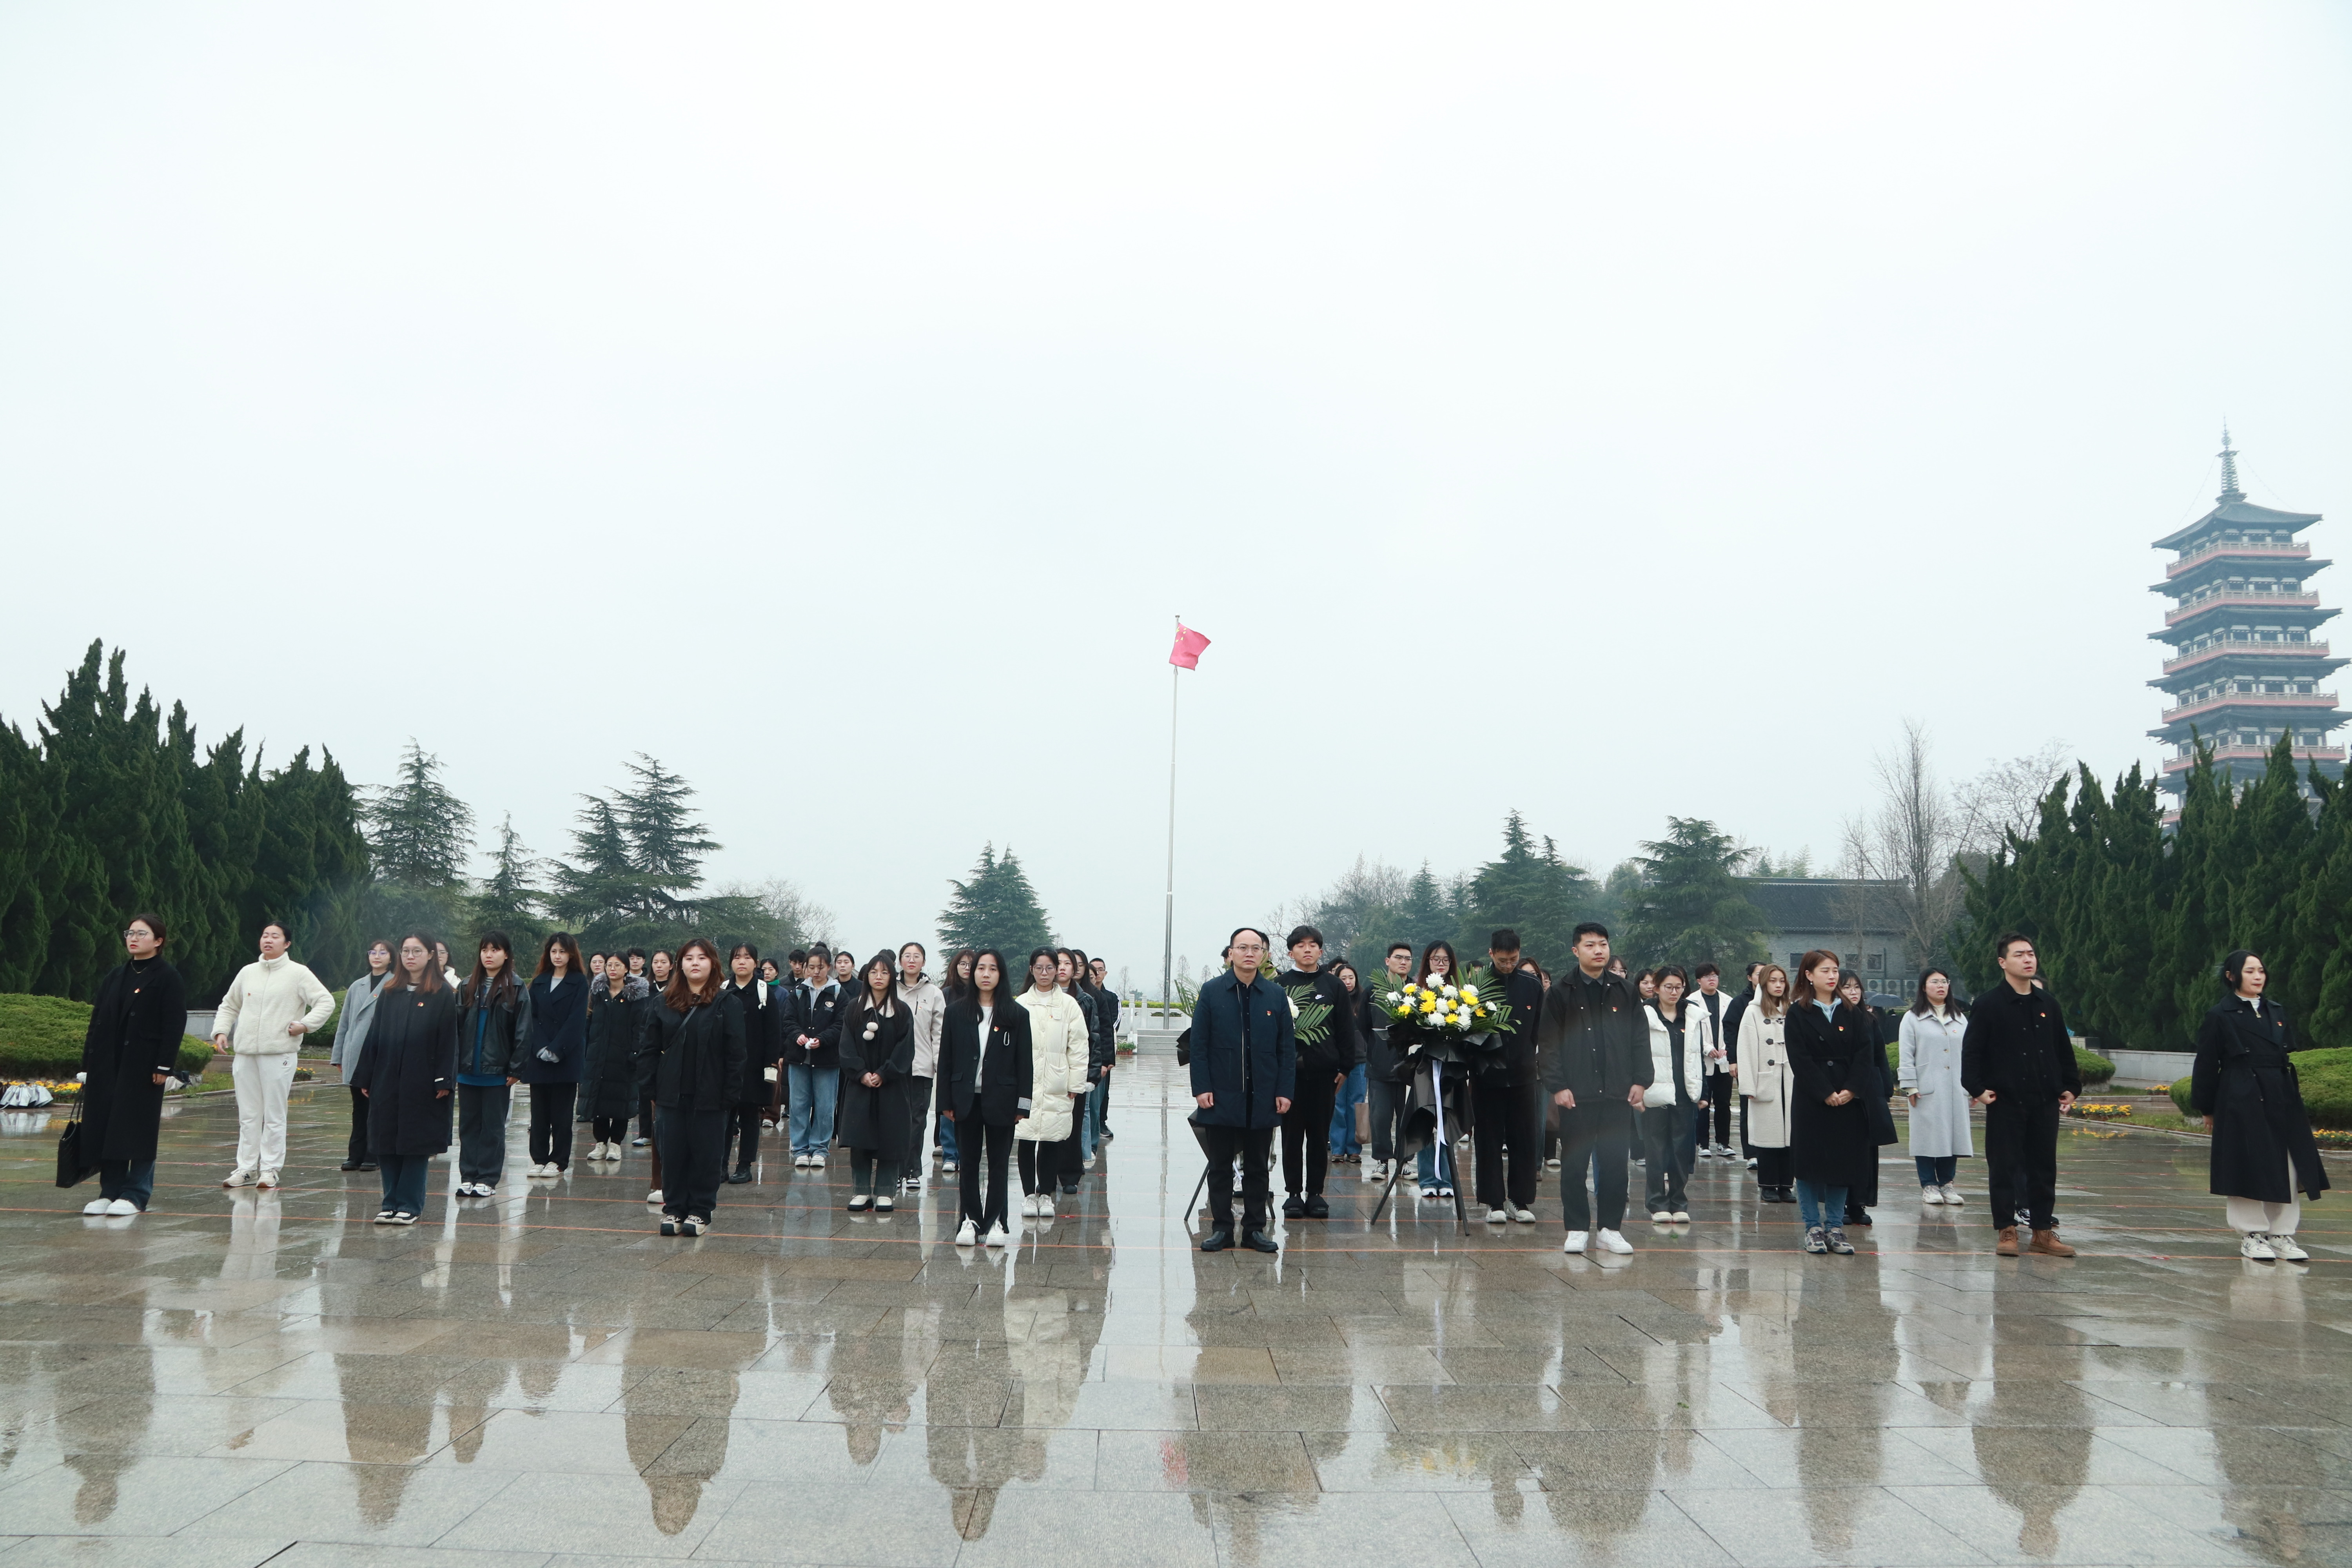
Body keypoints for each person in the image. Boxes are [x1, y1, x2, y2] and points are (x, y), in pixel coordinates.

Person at [2192, 950, 2328, 1262]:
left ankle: (2281, 1233)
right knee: (2247, 1163)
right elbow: (2206, 1064)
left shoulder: (2276, 1010)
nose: (2258, 977)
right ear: (2231, 976)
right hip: (2240, 1095)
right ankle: (2252, 1234)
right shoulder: (2220, 1015)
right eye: (2250, 971)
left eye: (2261, 971)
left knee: (2289, 1164)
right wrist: (2207, 1108)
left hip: (2281, 1093)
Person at [1960, 933, 2081, 1258]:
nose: (2028, 960)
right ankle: (2007, 1230)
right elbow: (1972, 1052)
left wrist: (2071, 1086)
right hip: (2006, 1100)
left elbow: (2063, 1050)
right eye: (2019, 955)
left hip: (2044, 1100)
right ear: (2003, 962)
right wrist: (1976, 1088)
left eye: (2031, 954)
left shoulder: (2048, 1004)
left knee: (2044, 1168)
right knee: (2004, 1166)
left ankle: (2043, 1232)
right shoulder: (1988, 1004)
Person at [1537, 924, 1647, 1256]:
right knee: (1574, 1164)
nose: (1598, 950)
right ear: (1576, 951)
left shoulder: (1626, 991)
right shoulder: (1561, 992)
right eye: (1590, 945)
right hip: (1577, 1094)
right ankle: (1576, 1229)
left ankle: (1610, 1230)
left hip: (1617, 1092)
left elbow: (1640, 1038)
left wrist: (1641, 1080)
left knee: (1615, 1164)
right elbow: (1549, 1044)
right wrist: (1558, 1086)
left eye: (1603, 944)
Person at [1189, 927, 1296, 1254]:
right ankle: (1221, 1229)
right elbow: (1199, 1044)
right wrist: (1202, 1087)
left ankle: (1254, 1230)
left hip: (1263, 1094)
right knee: (1220, 1166)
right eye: (1242, 948)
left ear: (1264, 954)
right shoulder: (1212, 991)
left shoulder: (1275, 995)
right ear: (1231, 953)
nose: (1249, 953)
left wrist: (1284, 1090)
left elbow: (1286, 1049)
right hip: (1221, 1093)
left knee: (1258, 1167)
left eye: (1256, 948)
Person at [75, 913, 188, 1217]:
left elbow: (174, 1024)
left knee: (138, 1129)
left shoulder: (167, 977)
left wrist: (164, 1066)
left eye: (141, 934)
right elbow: (97, 1022)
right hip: (108, 1065)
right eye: (130, 933)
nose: (133, 939)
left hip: (143, 1067)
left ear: (158, 941)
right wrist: (88, 1064)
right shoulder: (115, 976)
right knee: (108, 1128)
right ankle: (109, 1191)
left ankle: (136, 1194)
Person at [210, 918, 336, 1189]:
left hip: (279, 1053)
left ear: (287, 943)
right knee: (249, 1114)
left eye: (275, 936)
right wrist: (221, 1030)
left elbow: (325, 1001)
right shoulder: (248, 972)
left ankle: (269, 1169)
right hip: (245, 1053)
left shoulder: (298, 973)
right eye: (265, 935)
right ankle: (246, 1169)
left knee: (274, 1114)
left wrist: (305, 1025)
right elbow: (229, 1005)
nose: (268, 940)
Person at [634, 936, 746, 1236]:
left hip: (711, 1095)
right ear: (680, 965)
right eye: (689, 958)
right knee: (672, 1153)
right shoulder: (663, 1002)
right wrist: (650, 1089)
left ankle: (700, 1211)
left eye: (702, 958)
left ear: (713, 964)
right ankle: (674, 1209)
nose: (695, 963)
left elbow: (736, 1054)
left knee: (706, 1155)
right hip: (670, 1094)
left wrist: (730, 1094)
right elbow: (648, 1049)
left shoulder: (727, 1003)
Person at [349, 932, 459, 1225]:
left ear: (431, 955)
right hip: (387, 1078)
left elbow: (449, 1041)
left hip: (422, 1080)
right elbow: (375, 1036)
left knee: (414, 1143)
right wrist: (366, 1076)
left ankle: (410, 1204)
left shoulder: (442, 994)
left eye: (417, 951)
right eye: (406, 951)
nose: (411, 957)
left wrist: (444, 1080)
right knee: (386, 1140)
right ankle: (390, 1203)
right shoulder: (390, 992)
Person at [1785, 951, 1884, 1256]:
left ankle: (1835, 1227)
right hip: (1812, 1097)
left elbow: (1865, 1054)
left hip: (1847, 1096)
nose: (1832, 976)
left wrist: (1851, 1089)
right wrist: (1824, 1091)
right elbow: (1799, 1058)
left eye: (1835, 970)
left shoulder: (1852, 1012)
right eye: (1825, 970)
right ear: (1809, 975)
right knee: (1810, 1162)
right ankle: (1812, 1226)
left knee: (1843, 1161)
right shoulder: (1798, 1012)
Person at [938, 949, 1031, 1247]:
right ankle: (969, 1220)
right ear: (973, 973)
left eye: (993, 969)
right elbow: (946, 1060)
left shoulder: (1016, 1015)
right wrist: (945, 1102)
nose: (986, 974)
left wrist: (1023, 1105)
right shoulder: (956, 1012)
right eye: (981, 968)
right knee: (967, 1162)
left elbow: (1025, 1064)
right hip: (965, 1099)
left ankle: (996, 1222)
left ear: (1001, 974)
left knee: (999, 1164)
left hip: (1002, 1100)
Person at [1468, 929, 1548, 1226]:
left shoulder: (1532, 985)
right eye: (1503, 960)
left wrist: (1530, 1058)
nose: (1508, 965)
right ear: (1491, 954)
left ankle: (1519, 1200)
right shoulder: (1476, 986)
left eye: (1513, 960)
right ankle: (1493, 1202)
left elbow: (1539, 1029)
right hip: (1486, 1076)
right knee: (1488, 1140)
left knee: (1524, 1139)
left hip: (1523, 1075)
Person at [1014, 948, 1091, 1221]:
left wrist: (1076, 1083)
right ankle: (1028, 1195)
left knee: (1051, 1139)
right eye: (1039, 968)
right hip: (1026, 1082)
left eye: (1050, 968)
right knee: (1026, 1138)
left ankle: (1045, 1194)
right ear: (1032, 970)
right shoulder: (1021, 1003)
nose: (1044, 973)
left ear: (1057, 970)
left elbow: (1079, 1047)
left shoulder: (1069, 1005)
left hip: (1057, 1082)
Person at [837, 953, 916, 1212]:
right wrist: (861, 1073)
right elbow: (846, 1046)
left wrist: (884, 1073)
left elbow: (906, 1049)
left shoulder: (902, 1011)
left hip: (891, 1085)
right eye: (874, 972)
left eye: (884, 972)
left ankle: (885, 1191)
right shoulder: (854, 1008)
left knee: (890, 1137)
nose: (879, 977)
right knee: (860, 1136)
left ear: (892, 977)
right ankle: (861, 1190)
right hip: (860, 1085)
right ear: (866, 976)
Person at [452, 933, 527, 1199]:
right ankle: (468, 1176)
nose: (489, 955)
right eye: (485, 950)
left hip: (498, 1073)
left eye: (495, 950)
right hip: (468, 1071)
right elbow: (456, 1028)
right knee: (468, 1127)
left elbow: (523, 1031)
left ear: (506, 955)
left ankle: (487, 1178)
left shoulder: (516, 987)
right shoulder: (466, 986)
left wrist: (516, 1068)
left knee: (493, 1128)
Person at [1637, 965, 1704, 1225]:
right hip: (1655, 1092)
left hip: (1685, 1093)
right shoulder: (1644, 1015)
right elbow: (1635, 1054)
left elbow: (1697, 1056)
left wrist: (1702, 1091)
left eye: (1679, 987)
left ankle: (1679, 1202)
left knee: (1681, 1151)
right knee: (1656, 1150)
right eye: (1669, 987)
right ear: (1656, 988)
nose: (1674, 992)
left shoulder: (1693, 1016)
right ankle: (1657, 1202)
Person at [518, 931, 589, 1177]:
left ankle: (558, 1161)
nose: (558, 956)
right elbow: (531, 1017)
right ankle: (539, 1158)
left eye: (563, 952)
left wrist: (557, 1049)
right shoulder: (539, 981)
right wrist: (540, 1047)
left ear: (572, 954)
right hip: (539, 1056)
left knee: (561, 1114)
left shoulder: (579, 982)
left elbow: (576, 1021)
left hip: (565, 1057)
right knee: (539, 1114)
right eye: (554, 951)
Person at [1899, 968, 1971, 1206]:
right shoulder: (1913, 1018)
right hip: (1926, 1088)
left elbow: (1970, 1054)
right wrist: (1910, 1085)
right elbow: (1906, 1054)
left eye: (1944, 982)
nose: (1941, 986)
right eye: (1935, 982)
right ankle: (1929, 1184)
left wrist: (1973, 1085)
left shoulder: (1959, 1018)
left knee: (1953, 1136)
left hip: (1956, 1087)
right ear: (1924, 987)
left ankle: (1947, 1183)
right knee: (1927, 1137)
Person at [1836, 971, 1897, 1225]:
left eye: (1857, 987)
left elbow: (1880, 1056)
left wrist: (1885, 1090)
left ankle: (1859, 1203)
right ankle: (1840, 1204)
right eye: (1847, 987)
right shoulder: (1833, 1019)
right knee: (1843, 1150)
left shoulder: (1870, 1020)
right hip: (1842, 1091)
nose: (1853, 992)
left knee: (1866, 1152)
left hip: (1869, 1092)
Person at [1408, 941, 1464, 1201]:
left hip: (1451, 1066)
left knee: (1446, 1119)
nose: (1440, 964)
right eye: (1435, 959)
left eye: (1445, 960)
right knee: (1426, 1118)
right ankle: (1428, 1179)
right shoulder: (1417, 992)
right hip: (1425, 1066)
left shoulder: (1461, 994)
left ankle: (1447, 1178)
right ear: (1427, 962)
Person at [722, 944, 781, 1184]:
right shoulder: (722, 990)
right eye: (737, 957)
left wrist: (770, 1065)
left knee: (749, 1116)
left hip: (754, 1066)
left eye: (747, 958)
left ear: (755, 963)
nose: (742, 962)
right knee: (724, 1117)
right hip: (725, 1066)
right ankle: (720, 1165)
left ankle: (745, 1166)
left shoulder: (764, 992)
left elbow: (774, 1034)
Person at [331, 939, 392, 1173]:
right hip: (355, 1052)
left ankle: (373, 1154)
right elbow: (345, 1022)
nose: (377, 956)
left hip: (380, 1053)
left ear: (391, 957)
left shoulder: (395, 984)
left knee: (376, 1106)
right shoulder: (357, 986)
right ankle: (355, 1155)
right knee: (359, 1107)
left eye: (383, 953)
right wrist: (339, 1055)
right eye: (373, 952)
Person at [1736, 964, 1796, 1203]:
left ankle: (1787, 1185)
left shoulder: (1792, 1010)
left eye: (1782, 981)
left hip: (1790, 1080)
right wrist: (1748, 1086)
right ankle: (1768, 1185)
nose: (1778, 985)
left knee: (1790, 1136)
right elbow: (1746, 1049)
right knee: (1767, 1137)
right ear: (1763, 984)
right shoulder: (1752, 1012)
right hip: (1765, 1080)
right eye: (1773, 981)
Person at [1361, 942, 1419, 1185]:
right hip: (1380, 1066)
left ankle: (1405, 1161)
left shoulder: (1416, 992)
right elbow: (1364, 1026)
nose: (1403, 962)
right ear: (1388, 961)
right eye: (1398, 957)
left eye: (1408, 958)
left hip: (1410, 1067)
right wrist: (1376, 1050)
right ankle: (1382, 1160)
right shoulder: (1373, 991)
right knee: (1380, 1117)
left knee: (1408, 1117)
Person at [784, 943, 844, 1166]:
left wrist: (823, 1039)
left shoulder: (838, 993)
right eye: (812, 967)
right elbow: (788, 1020)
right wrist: (798, 1035)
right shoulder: (798, 992)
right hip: (799, 1058)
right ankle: (800, 1149)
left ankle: (820, 1148)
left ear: (829, 967)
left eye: (821, 967)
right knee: (799, 1105)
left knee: (825, 1106)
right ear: (805, 967)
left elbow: (842, 1024)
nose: (816, 972)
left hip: (827, 1060)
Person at [583, 952, 644, 1159]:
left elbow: (639, 1027)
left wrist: (635, 1053)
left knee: (621, 1101)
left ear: (626, 969)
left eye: (618, 965)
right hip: (598, 1055)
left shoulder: (635, 996)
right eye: (609, 965)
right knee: (598, 1101)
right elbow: (589, 1023)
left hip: (623, 1057)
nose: (612, 969)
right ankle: (600, 1143)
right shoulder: (598, 993)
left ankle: (616, 1144)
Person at [896, 942, 944, 1194]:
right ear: (900, 961)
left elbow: (939, 1033)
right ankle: (894, 1171)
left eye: (917, 956)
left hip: (921, 1067)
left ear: (924, 962)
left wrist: (938, 1064)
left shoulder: (934, 993)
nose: (912, 960)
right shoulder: (890, 989)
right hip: (893, 1068)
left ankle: (913, 1171)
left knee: (917, 1121)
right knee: (894, 1120)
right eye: (907, 956)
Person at [1689, 963, 1737, 1160]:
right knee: (1703, 1103)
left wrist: (1726, 1048)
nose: (1712, 979)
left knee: (1724, 1103)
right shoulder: (1691, 1002)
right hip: (1703, 1060)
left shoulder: (1728, 1001)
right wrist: (1708, 1048)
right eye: (1707, 976)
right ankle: (1703, 1143)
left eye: (1715, 976)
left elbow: (1732, 1028)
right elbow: (1692, 1032)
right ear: (1699, 981)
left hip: (1724, 1059)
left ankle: (1723, 1143)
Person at [938, 949, 976, 1175]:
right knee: (948, 1108)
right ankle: (950, 1155)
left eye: (971, 964)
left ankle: (968, 1155)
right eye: (963, 964)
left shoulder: (982, 993)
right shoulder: (945, 994)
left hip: (976, 1058)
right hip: (952, 1055)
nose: (967, 968)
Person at [1722, 962, 1763, 1167]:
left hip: (1772, 1063)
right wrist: (1734, 1060)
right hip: (1748, 1062)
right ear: (1750, 978)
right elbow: (1730, 1032)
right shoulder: (1740, 1003)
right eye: (1758, 974)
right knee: (1748, 1106)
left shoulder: (1778, 1002)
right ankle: (1752, 1154)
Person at [1327, 960, 1367, 1167]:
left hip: (1360, 1060)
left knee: (1356, 1104)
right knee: (1338, 1105)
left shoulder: (1363, 1001)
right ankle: (1337, 1148)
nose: (1348, 982)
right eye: (1343, 978)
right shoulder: (1332, 1001)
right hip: (1336, 1061)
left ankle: (1354, 1149)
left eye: (1351, 978)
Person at [636, 950, 674, 1150]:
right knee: (646, 1088)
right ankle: (646, 1132)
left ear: (672, 966)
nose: (659, 966)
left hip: (669, 1046)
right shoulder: (645, 988)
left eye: (664, 962)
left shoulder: (676, 988)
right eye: (656, 962)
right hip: (646, 1042)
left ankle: (666, 1132)